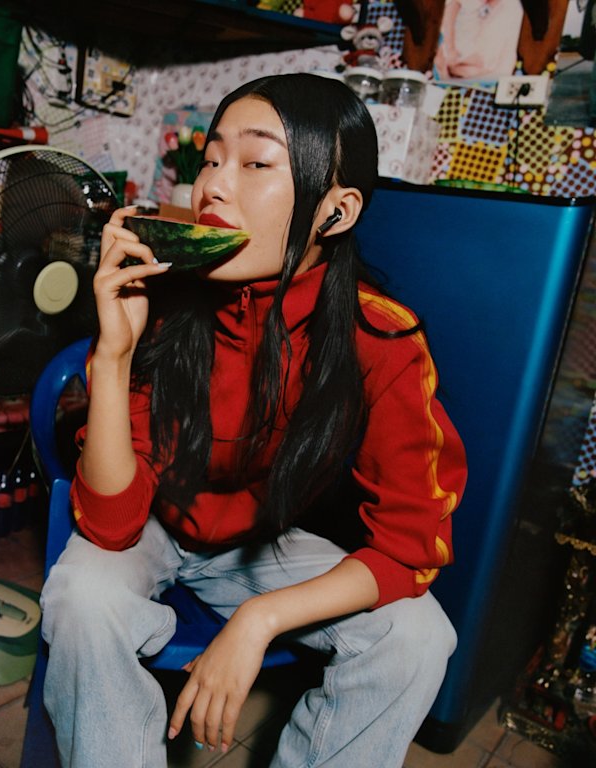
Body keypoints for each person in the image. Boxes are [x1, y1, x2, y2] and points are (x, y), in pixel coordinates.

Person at [40, 72, 468, 768]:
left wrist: (259, 618)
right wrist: (113, 354)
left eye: (255, 163)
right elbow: (113, 524)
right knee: (84, 598)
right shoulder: (159, 298)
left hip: (260, 543)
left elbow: (410, 545)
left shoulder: (380, 340)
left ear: (335, 212)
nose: (212, 186)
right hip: (152, 522)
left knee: (418, 638)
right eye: (210, 159)